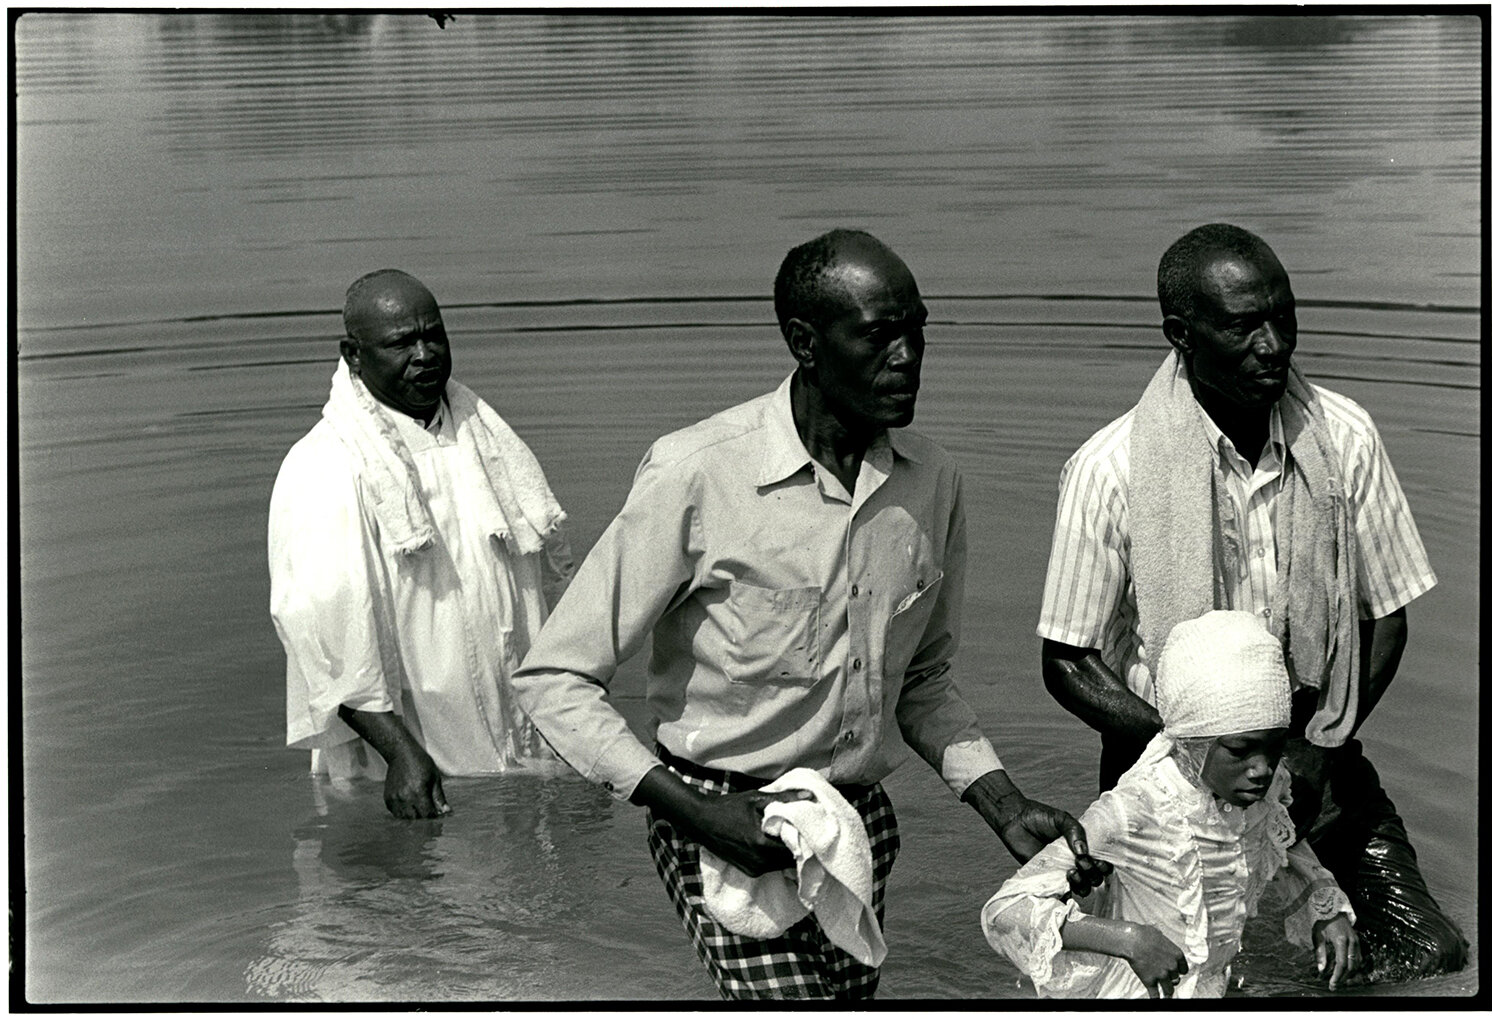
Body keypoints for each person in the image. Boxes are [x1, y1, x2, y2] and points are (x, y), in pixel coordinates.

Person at [511, 229, 1107, 1000]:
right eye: (879, 335)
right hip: (724, 821)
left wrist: (1003, 804)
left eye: (916, 329)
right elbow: (555, 676)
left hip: (859, 823)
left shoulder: (930, 483)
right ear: (805, 342)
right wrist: (696, 813)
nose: (907, 356)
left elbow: (920, 681)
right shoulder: (697, 474)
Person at [1036, 223, 1467, 980]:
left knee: (1428, 956)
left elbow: (1386, 616)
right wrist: (1195, 750)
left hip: (1311, 745)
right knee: (1176, 977)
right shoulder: (1110, 469)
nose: (1274, 345)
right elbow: (1067, 659)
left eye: (1283, 316)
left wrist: (1316, 745)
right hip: (1162, 760)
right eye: (1243, 326)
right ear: (1182, 335)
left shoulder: (1343, 438)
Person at [269, 269, 574, 820]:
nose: (425, 354)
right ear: (353, 355)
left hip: (517, 739)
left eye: (434, 335)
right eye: (401, 343)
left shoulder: (485, 439)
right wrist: (401, 754)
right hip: (404, 763)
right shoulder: (326, 466)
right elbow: (322, 632)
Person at [983, 610, 1361, 998]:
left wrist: (1324, 906)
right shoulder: (1138, 807)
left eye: (1274, 746)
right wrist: (1129, 940)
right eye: (1240, 750)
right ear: (1192, 741)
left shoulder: (1264, 789)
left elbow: (1282, 840)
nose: (1262, 769)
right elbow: (1005, 910)